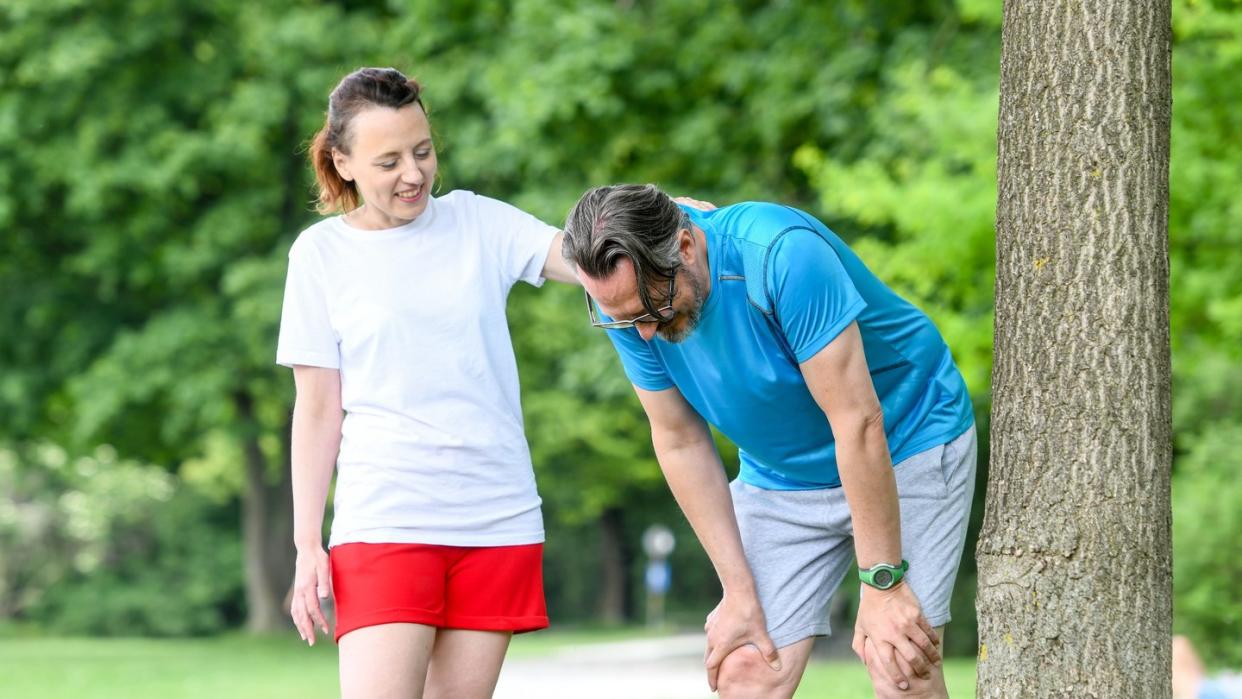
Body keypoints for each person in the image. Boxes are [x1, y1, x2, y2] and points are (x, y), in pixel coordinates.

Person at [560, 184, 977, 699]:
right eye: (624, 317)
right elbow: (679, 439)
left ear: (686, 247)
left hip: (905, 435)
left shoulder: (780, 255)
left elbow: (857, 422)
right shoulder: (630, 297)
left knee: (899, 661)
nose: (642, 332)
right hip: (781, 474)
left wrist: (883, 583)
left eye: (651, 309)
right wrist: (737, 591)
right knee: (746, 667)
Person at [275, 67, 580, 699]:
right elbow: (317, 412)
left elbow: (583, 256)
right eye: (388, 161)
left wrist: (658, 221)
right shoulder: (320, 255)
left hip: (496, 518)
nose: (413, 174)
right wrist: (308, 546)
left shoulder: (479, 223)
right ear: (344, 162)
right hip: (385, 519)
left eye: (422, 151)